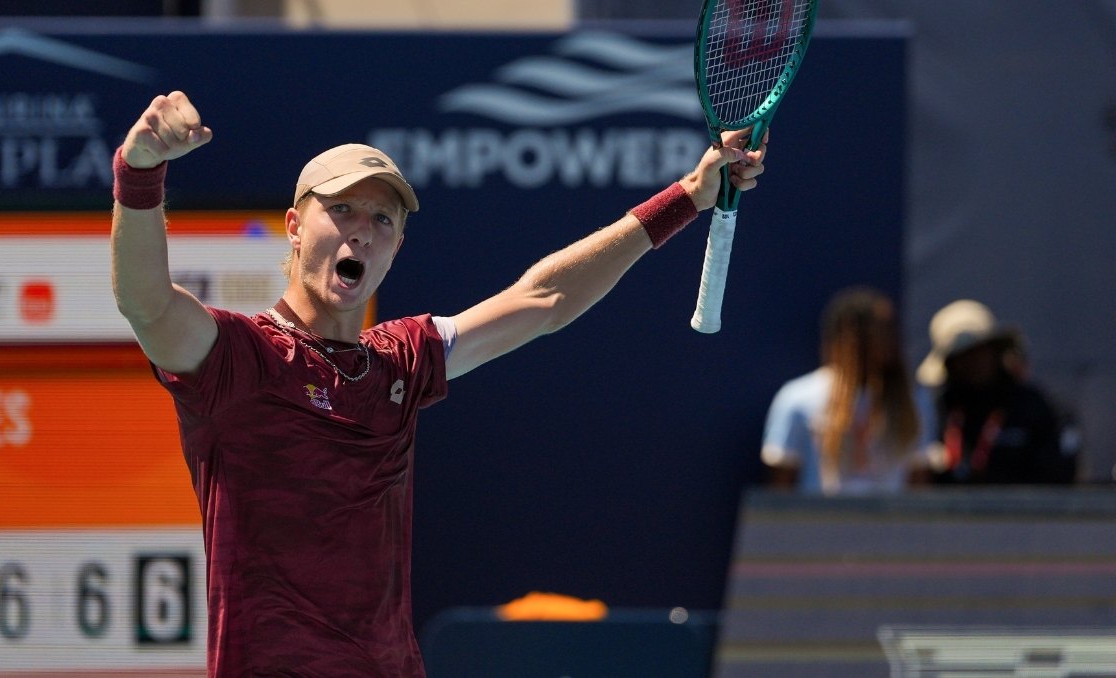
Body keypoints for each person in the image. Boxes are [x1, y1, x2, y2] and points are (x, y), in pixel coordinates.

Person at [109, 91, 767, 676]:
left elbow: (546, 299)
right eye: (341, 210)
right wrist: (139, 173)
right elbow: (146, 303)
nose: (361, 232)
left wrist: (685, 197)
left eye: (383, 221)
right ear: (293, 225)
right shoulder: (238, 359)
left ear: (396, 248)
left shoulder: (401, 361)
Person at [760, 286, 935, 495]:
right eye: (881, 330)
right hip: (819, 526)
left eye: (892, 329)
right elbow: (781, 489)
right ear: (852, 336)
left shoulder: (915, 400)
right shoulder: (796, 398)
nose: (892, 339)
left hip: (890, 527)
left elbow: (919, 484)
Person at [916, 299, 1076, 485]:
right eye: (961, 356)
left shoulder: (1032, 405)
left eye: (979, 350)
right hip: (952, 513)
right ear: (949, 364)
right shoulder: (936, 410)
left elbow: (1057, 474)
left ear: (994, 351)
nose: (973, 362)